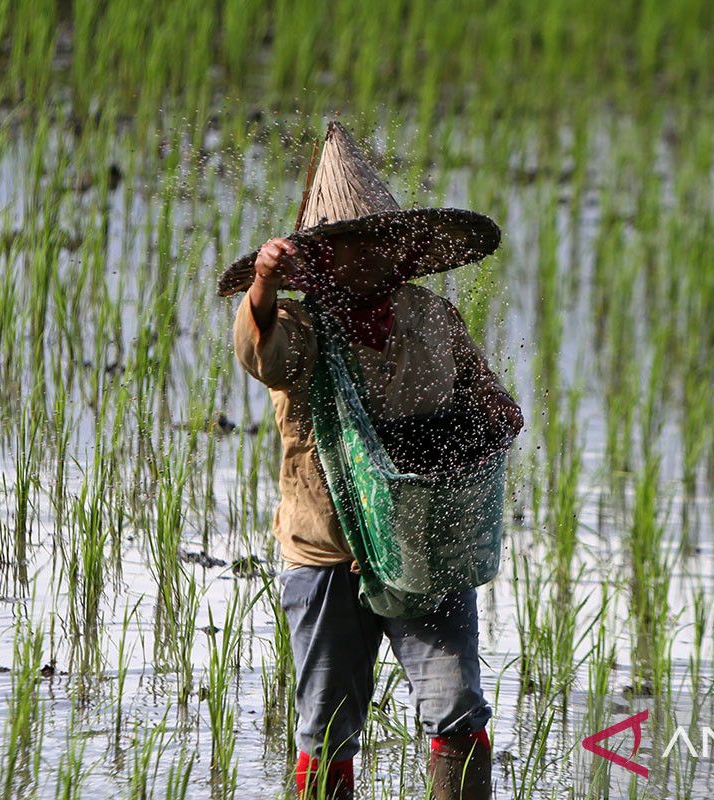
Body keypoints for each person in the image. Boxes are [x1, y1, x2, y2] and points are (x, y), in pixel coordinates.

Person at [222, 121, 523, 800]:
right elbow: (256, 350)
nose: (365, 259)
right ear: (318, 261)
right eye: (346, 248)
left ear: (402, 251)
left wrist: (489, 428)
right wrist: (265, 285)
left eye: (378, 244)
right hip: (327, 554)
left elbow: (495, 405)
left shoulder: (435, 319)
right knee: (328, 729)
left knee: (457, 708)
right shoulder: (298, 329)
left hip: (426, 546)